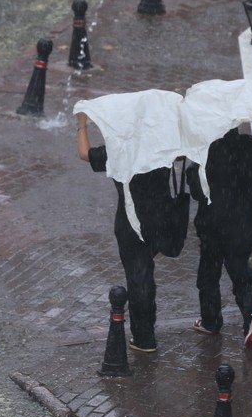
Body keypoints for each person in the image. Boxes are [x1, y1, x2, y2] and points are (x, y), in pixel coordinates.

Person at [77, 112, 189, 353]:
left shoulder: (120, 151)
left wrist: (81, 125)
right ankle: (145, 325)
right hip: (160, 220)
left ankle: (144, 336)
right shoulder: (163, 147)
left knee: (139, 277)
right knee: (145, 271)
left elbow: (85, 154)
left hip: (132, 222)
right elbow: (185, 152)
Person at [187, 116, 252, 348]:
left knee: (209, 276)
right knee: (245, 277)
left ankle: (211, 322)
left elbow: (196, 192)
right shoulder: (251, 145)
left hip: (213, 228)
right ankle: (251, 314)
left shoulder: (206, 152)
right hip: (245, 228)